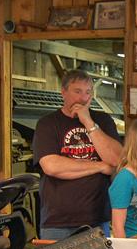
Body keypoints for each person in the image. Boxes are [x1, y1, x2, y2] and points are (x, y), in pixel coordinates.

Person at [33, 69, 123, 240]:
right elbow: (52, 166)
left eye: (88, 92)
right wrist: (100, 166)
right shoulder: (47, 123)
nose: (83, 98)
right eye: (77, 91)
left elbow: (117, 159)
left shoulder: (103, 120)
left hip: (97, 219)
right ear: (63, 92)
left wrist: (88, 122)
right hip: (57, 221)